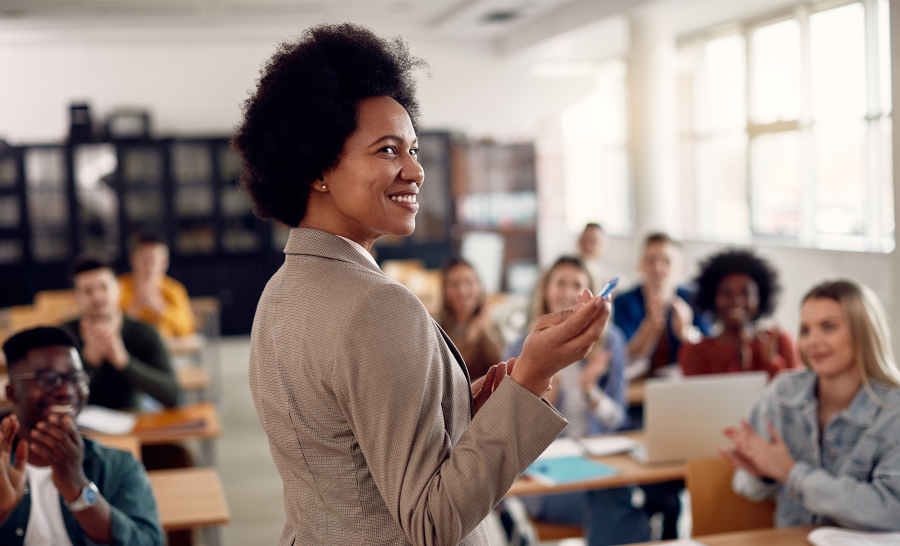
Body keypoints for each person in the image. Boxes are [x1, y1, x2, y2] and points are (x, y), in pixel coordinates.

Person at [232, 23, 612, 546]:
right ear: (319, 165)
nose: (415, 170)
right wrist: (535, 378)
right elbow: (430, 522)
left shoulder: (280, 293)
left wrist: (489, 390)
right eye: (388, 150)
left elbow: (354, 449)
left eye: (413, 150)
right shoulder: (378, 307)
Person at [721, 280, 900, 531]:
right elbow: (744, 486)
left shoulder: (894, 411)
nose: (812, 341)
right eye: (805, 330)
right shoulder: (782, 393)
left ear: (864, 331)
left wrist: (791, 473)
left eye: (828, 327)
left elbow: (892, 511)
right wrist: (763, 474)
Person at [504, 256, 647, 546]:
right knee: (622, 510)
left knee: (619, 501)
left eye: (578, 285)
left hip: (597, 466)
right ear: (545, 290)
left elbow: (618, 420)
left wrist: (590, 391)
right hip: (545, 474)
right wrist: (547, 378)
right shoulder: (521, 347)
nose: (568, 292)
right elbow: (511, 428)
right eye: (560, 283)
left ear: (592, 295)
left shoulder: (611, 341)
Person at [0, 326, 163, 545]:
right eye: (48, 379)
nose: (68, 391)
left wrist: (77, 487)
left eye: (77, 378)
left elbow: (149, 542)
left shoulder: (118, 465)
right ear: (12, 392)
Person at [62, 254, 180, 411]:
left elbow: (173, 396)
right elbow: (55, 397)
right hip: (80, 425)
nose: (97, 296)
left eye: (104, 287)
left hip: (133, 422)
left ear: (119, 288)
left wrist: (123, 360)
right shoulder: (63, 337)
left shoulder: (145, 332)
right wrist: (89, 359)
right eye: (87, 291)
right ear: (75, 297)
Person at [679, 249, 800, 378]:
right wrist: (739, 364)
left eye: (745, 293)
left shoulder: (779, 342)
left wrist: (771, 361)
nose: (736, 301)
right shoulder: (695, 353)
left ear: (760, 298)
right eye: (727, 293)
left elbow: (798, 393)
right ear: (712, 298)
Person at [613, 232, 712, 375]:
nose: (657, 268)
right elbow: (622, 355)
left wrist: (686, 332)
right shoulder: (624, 302)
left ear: (680, 267)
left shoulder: (694, 298)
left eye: (666, 261)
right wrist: (650, 325)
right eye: (650, 260)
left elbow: (710, 350)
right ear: (641, 265)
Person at [119, 232, 196, 339]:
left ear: (165, 263)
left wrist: (161, 308)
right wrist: (134, 307)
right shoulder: (118, 287)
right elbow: (111, 327)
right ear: (132, 260)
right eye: (145, 260)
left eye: (155, 261)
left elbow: (188, 329)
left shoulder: (174, 289)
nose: (150, 267)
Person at [439, 257, 505, 381]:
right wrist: (472, 335)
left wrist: (487, 331)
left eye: (469, 282)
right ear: (445, 290)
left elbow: (504, 365)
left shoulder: (495, 322)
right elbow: (446, 374)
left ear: (480, 287)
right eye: (454, 284)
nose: (462, 291)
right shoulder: (437, 329)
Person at [578, 223, 627, 290]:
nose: (588, 246)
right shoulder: (565, 272)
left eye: (594, 241)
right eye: (584, 240)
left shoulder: (613, 280)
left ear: (604, 245)